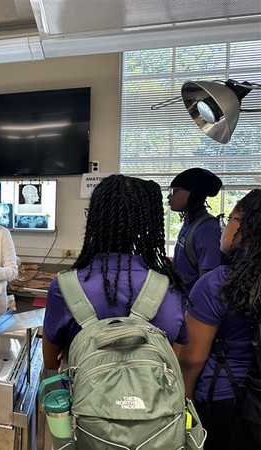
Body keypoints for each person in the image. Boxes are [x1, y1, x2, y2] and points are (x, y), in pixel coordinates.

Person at [43, 175, 189, 370]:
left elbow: (51, 362)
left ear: (94, 219)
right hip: (153, 398)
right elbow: (174, 358)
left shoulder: (65, 286)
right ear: (150, 223)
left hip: (85, 399)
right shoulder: (170, 286)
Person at [179, 189, 261, 450]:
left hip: (226, 399)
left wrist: (184, 404)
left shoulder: (217, 284)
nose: (223, 227)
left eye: (229, 220)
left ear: (245, 227)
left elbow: (192, 359)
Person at [168, 168, 223, 292]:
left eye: (173, 191)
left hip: (192, 306)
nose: (168, 196)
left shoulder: (207, 229)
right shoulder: (190, 222)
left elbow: (208, 283)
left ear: (190, 192)